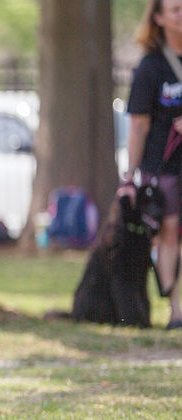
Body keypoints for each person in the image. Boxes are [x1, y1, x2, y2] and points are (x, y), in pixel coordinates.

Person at [125, 0, 182, 330]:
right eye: (175, 9)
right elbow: (139, 125)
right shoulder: (151, 67)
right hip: (163, 167)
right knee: (169, 230)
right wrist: (131, 175)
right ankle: (175, 310)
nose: (181, 14)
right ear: (158, 18)